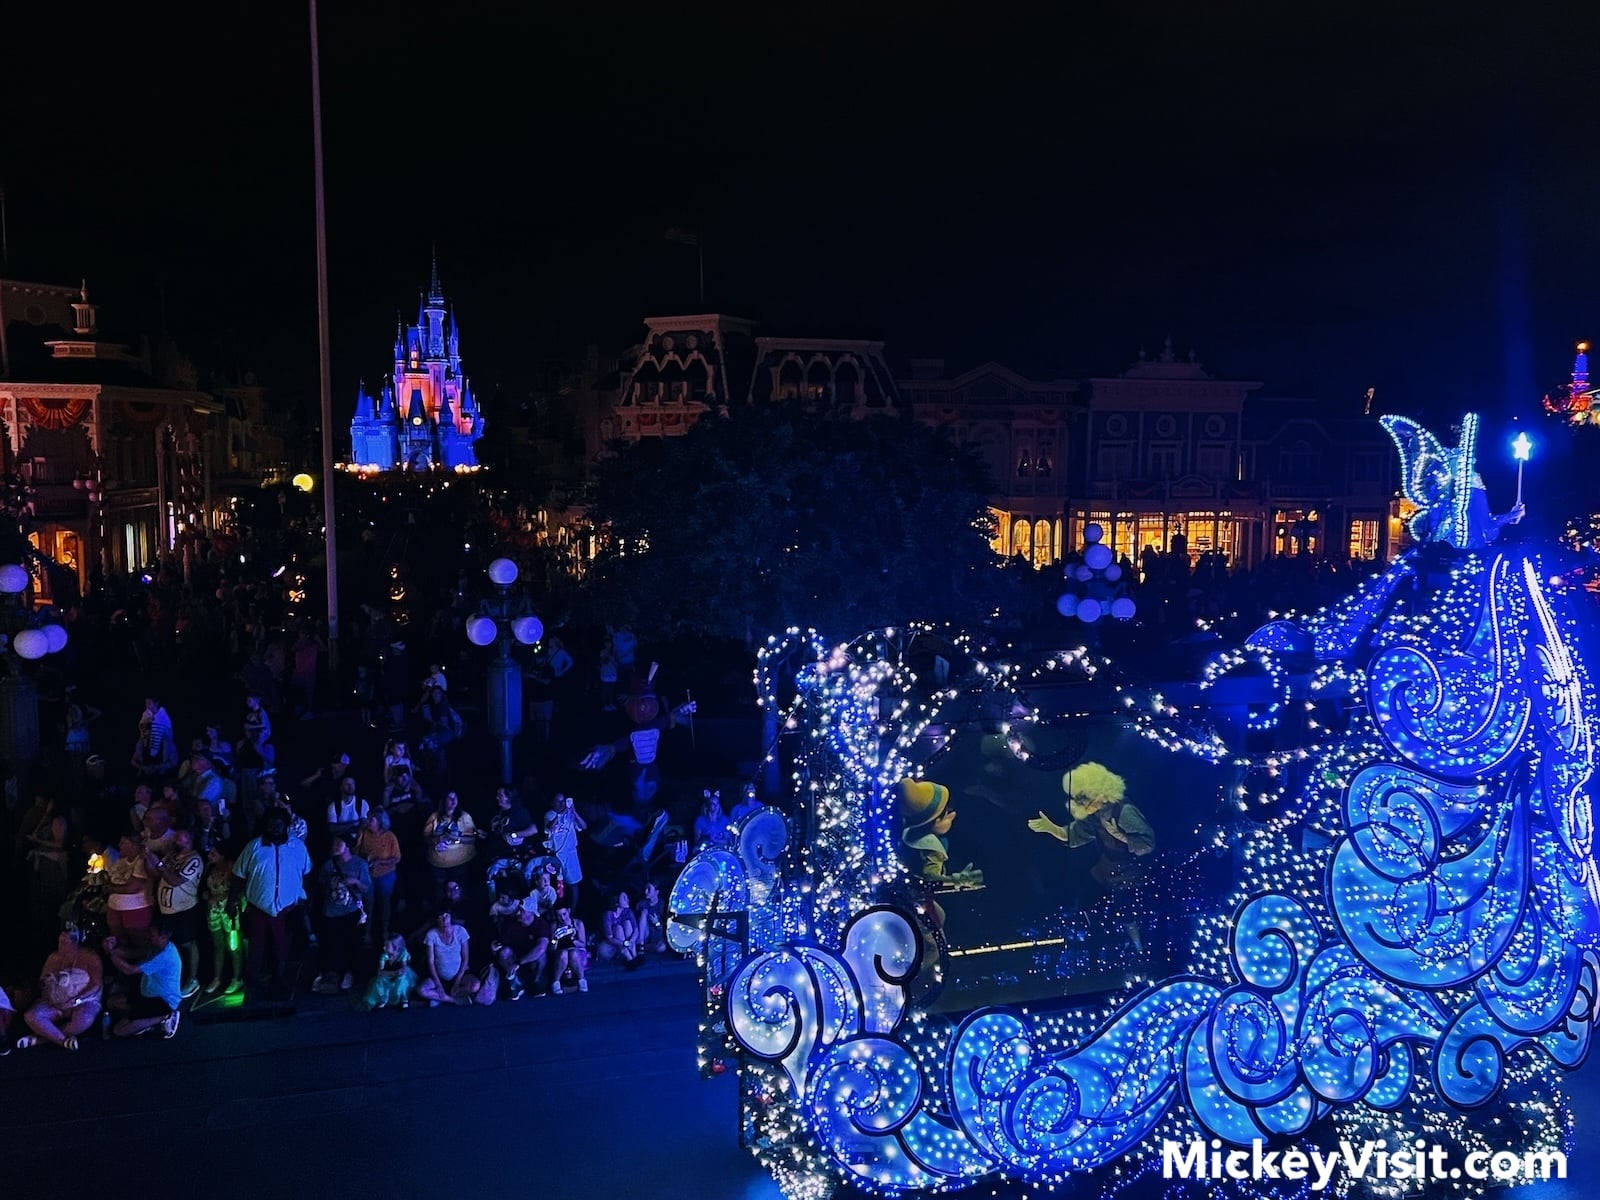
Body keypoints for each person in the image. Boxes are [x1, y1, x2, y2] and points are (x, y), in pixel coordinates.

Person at [231, 808, 313, 995]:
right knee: (255, 948)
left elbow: (306, 874)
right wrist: (232, 901)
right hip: (258, 909)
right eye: (271, 824)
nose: (275, 827)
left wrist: (305, 901)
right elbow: (238, 875)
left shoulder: (298, 848)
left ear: (286, 826)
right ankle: (252, 983)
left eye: (279, 824)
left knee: (283, 947)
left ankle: (280, 981)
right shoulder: (254, 847)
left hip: (287, 909)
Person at [17, 929, 103, 1051]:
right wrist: (46, 984)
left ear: (74, 943)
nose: (60, 946)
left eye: (64, 943)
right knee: (31, 1016)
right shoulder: (53, 958)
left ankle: (41, 1039)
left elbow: (96, 985)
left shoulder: (90, 957)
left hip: (83, 1001)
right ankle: (63, 1041)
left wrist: (77, 1000)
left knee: (84, 1019)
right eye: (59, 942)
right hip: (55, 1001)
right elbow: (42, 981)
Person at [147, 829, 204, 997]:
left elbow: (175, 881)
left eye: (179, 838)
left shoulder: (194, 860)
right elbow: (157, 873)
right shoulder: (171, 855)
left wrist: (159, 864)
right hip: (166, 910)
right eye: (175, 837)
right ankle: (173, 978)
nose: (175, 840)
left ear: (189, 840)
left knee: (188, 944)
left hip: (184, 910)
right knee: (172, 946)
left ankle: (192, 979)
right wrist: (148, 858)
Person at [105, 920, 183, 1038]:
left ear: (162, 937)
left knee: (119, 1030)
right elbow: (131, 954)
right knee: (112, 1003)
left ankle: (165, 1017)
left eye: (152, 935)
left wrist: (111, 954)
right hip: (147, 994)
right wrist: (112, 948)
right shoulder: (155, 946)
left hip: (163, 1001)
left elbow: (129, 970)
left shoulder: (164, 956)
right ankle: (145, 1021)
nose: (149, 937)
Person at [313, 837, 371, 994]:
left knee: (351, 943)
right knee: (332, 944)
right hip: (331, 911)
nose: (335, 846)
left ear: (348, 846)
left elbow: (368, 890)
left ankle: (349, 973)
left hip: (351, 911)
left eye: (339, 843)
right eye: (333, 843)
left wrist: (355, 882)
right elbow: (320, 886)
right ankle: (332, 974)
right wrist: (329, 886)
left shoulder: (360, 864)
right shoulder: (328, 865)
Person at [202, 847, 244, 995]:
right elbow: (204, 887)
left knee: (234, 945)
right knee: (217, 945)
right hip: (213, 910)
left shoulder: (232, 867)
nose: (210, 855)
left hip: (229, 910)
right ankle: (217, 977)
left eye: (214, 853)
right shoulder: (209, 867)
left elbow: (239, 888)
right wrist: (206, 895)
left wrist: (223, 897)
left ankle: (237, 978)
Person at [355, 811, 402, 944]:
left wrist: (380, 862)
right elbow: (356, 852)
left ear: (380, 822)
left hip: (386, 875)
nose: (368, 822)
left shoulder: (390, 836)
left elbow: (397, 858)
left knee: (384, 903)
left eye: (371, 820)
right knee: (367, 904)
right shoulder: (363, 833)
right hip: (368, 875)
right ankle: (367, 933)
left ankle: (385, 932)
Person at [418, 909, 480, 1006]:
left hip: (459, 974)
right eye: (440, 917)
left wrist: (457, 982)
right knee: (422, 990)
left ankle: (440, 997)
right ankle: (453, 1000)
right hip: (439, 975)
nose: (443, 919)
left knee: (475, 985)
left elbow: (465, 959)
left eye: (446, 916)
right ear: (437, 920)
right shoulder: (432, 934)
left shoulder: (460, 931)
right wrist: (438, 984)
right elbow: (431, 961)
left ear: (451, 917)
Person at [423, 791, 477, 899]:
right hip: (438, 863)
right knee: (439, 891)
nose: (453, 801)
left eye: (455, 798)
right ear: (444, 801)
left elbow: (472, 838)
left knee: (459, 890)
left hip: (460, 862)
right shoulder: (434, 817)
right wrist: (439, 838)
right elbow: (425, 839)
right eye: (450, 798)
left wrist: (457, 837)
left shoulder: (464, 816)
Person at [492, 904, 550, 1000]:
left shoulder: (541, 924)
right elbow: (501, 946)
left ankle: (536, 981)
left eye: (522, 911)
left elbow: (541, 948)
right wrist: (494, 949)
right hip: (515, 957)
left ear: (531, 912)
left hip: (530, 960)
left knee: (541, 955)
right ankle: (515, 983)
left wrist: (519, 962)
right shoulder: (511, 924)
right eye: (518, 910)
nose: (518, 913)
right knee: (504, 952)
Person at [544, 794, 586, 910]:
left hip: (571, 854)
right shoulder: (549, 814)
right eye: (558, 801)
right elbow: (550, 827)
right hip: (556, 855)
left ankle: (573, 911)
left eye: (563, 801)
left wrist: (574, 812)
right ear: (552, 802)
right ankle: (558, 910)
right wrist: (560, 814)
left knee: (573, 885)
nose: (562, 804)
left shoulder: (570, 816)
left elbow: (584, 826)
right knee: (557, 885)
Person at [355, 933, 415, 1011]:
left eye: (387, 946)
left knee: (402, 978)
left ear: (395, 947)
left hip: (400, 975)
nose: (384, 948)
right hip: (388, 975)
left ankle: (404, 998)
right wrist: (392, 973)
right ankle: (382, 998)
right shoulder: (384, 956)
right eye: (384, 945)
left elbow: (403, 969)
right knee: (380, 980)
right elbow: (380, 972)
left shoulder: (403, 954)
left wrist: (397, 973)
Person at [547, 903, 588, 994]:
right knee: (564, 953)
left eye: (564, 914)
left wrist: (571, 939)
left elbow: (583, 944)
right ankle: (555, 982)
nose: (562, 918)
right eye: (559, 915)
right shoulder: (554, 926)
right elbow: (552, 948)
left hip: (576, 952)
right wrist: (555, 939)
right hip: (561, 954)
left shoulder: (578, 923)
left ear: (569, 911)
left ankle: (582, 980)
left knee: (572, 952)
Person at [599, 891, 642, 966]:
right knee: (618, 928)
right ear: (616, 902)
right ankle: (628, 956)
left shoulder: (628, 911)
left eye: (627, 897)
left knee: (627, 923)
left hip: (629, 943)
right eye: (624, 898)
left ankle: (634, 954)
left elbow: (635, 930)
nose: (628, 900)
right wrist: (624, 943)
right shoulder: (608, 914)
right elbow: (610, 937)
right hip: (615, 943)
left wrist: (631, 941)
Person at [326, 776, 371, 844]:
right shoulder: (333, 806)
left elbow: (364, 825)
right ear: (341, 787)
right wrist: (353, 824)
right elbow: (332, 828)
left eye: (352, 784)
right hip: (340, 842)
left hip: (359, 841)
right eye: (347, 784)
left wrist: (342, 829)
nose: (350, 786)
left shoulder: (362, 803)